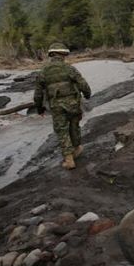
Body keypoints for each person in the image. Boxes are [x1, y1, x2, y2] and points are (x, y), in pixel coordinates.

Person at [34, 42, 91, 170]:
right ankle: (76, 149)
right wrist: (87, 95)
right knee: (74, 126)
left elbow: (38, 94)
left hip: (56, 106)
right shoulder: (69, 69)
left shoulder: (43, 71)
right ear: (64, 54)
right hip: (74, 104)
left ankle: (69, 159)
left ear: (51, 55)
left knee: (62, 131)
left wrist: (39, 109)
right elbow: (83, 85)